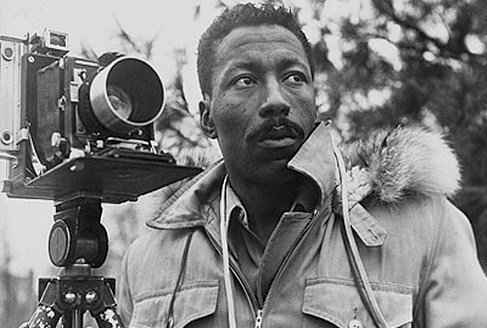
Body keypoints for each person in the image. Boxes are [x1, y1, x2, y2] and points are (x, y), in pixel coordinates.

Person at [118, 3, 487, 328]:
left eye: (294, 77)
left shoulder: (426, 224)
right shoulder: (150, 258)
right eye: (244, 80)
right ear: (206, 116)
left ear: (316, 100)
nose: (276, 100)